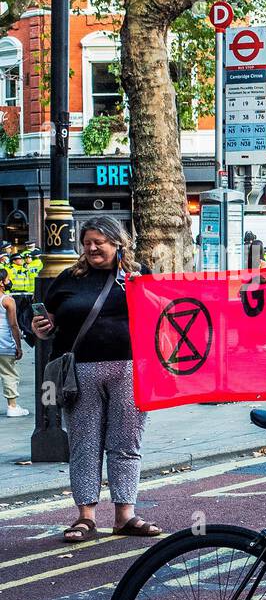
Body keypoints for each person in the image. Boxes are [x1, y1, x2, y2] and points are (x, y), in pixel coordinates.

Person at [31, 216, 160, 543]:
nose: (91, 248)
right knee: (84, 443)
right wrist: (39, 327)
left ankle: (125, 516)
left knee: (126, 445)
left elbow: (164, 315)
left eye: (98, 242)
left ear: (118, 243)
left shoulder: (137, 276)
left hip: (130, 371)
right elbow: (45, 319)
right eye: (87, 242)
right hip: (80, 373)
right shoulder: (68, 278)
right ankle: (85, 517)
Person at [0, 268, 28, 417]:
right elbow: (14, 325)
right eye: (7, 279)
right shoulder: (7, 300)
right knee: (9, 374)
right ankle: (12, 406)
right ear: (1, 283)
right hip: (3, 343)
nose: (9, 281)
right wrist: (19, 346)